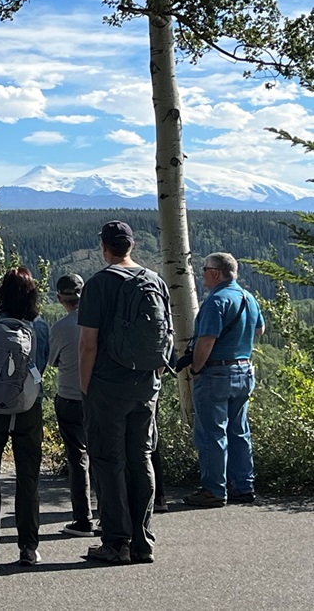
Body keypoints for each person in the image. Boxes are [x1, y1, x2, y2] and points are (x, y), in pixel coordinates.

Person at [79, 220, 169, 565]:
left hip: (108, 384)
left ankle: (117, 542)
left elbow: (88, 344)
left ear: (104, 247)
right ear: (132, 245)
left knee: (108, 461)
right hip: (146, 384)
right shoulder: (155, 281)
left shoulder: (99, 283)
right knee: (141, 458)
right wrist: (154, 378)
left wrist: (86, 387)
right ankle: (143, 541)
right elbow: (166, 336)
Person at [0, 267, 49, 567]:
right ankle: (28, 547)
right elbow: (42, 365)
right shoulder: (39, 326)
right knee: (27, 479)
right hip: (28, 407)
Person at [183, 252, 264, 507]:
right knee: (239, 431)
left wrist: (196, 368)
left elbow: (206, 340)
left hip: (217, 373)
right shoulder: (248, 297)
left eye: (204, 270)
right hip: (244, 370)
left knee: (211, 433)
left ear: (216, 272)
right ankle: (243, 486)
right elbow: (260, 329)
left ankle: (214, 489)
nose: (202, 275)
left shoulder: (216, 301)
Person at [47, 273, 95, 537]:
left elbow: (52, 361)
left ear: (59, 298)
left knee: (78, 459)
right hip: (99, 398)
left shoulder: (60, 328)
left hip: (69, 397)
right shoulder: (100, 321)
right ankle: (110, 517)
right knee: (105, 456)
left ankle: (83, 518)